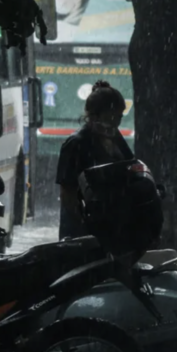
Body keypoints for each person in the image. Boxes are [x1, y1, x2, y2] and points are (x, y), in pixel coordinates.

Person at [56, 80, 133, 240]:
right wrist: (85, 223)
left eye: (120, 116)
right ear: (96, 114)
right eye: (113, 116)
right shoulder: (76, 144)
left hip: (111, 230)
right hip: (80, 235)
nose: (117, 122)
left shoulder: (116, 139)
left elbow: (130, 167)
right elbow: (67, 194)